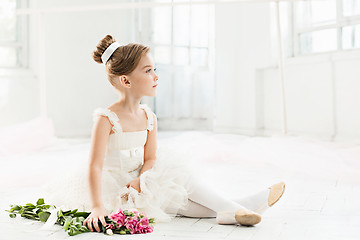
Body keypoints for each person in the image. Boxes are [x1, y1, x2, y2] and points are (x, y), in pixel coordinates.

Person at [43, 35, 285, 233]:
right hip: (116, 186)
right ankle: (240, 206)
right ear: (126, 81)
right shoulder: (106, 119)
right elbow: (94, 166)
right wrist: (97, 206)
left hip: (140, 178)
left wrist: (142, 180)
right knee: (178, 202)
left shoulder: (149, 117)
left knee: (177, 181)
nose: (156, 76)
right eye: (148, 71)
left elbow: (150, 158)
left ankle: (233, 210)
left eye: (154, 69)